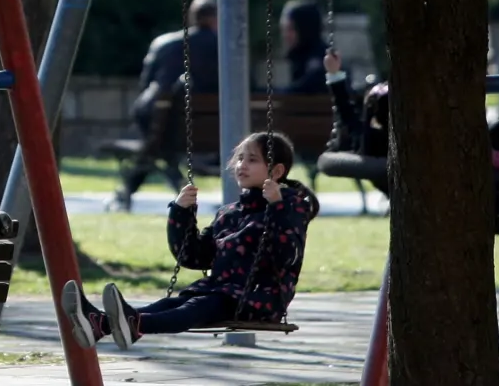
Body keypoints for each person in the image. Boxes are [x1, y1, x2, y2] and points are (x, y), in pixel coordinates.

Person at [62, 131, 318, 349]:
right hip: (219, 291)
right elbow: (193, 256)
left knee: (193, 307)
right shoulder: (229, 213)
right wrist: (181, 212)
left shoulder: (290, 208)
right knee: (169, 303)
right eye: (239, 158)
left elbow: (285, 256)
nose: (242, 165)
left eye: (252, 160)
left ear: (276, 171)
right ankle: (99, 324)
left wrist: (276, 206)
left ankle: (129, 324)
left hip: (258, 298)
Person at [116, 0, 219, 205]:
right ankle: (173, 181)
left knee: (157, 141)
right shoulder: (229, 50)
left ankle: (136, 188)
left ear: (192, 16)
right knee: (160, 143)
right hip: (211, 131)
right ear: (215, 18)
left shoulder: (165, 44)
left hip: (161, 123)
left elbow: (145, 85)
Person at [276, 0, 329, 94]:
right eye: (284, 29)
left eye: (291, 29)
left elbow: (305, 90)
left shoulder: (322, 59)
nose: (285, 35)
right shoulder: (299, 55)